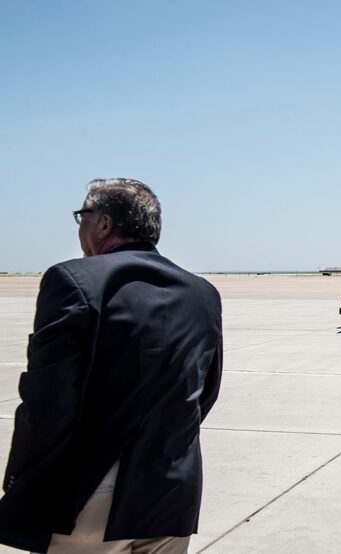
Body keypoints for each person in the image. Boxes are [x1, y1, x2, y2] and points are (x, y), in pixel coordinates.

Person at [0, 179, 223, 554]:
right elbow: (205, 391)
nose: (80, 227)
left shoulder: (73, 280)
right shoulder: (202, 292)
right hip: (173, 490)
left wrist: (22, 478)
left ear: (103, 223)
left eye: (81, 217)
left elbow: (48, 400)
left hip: (94, 492)